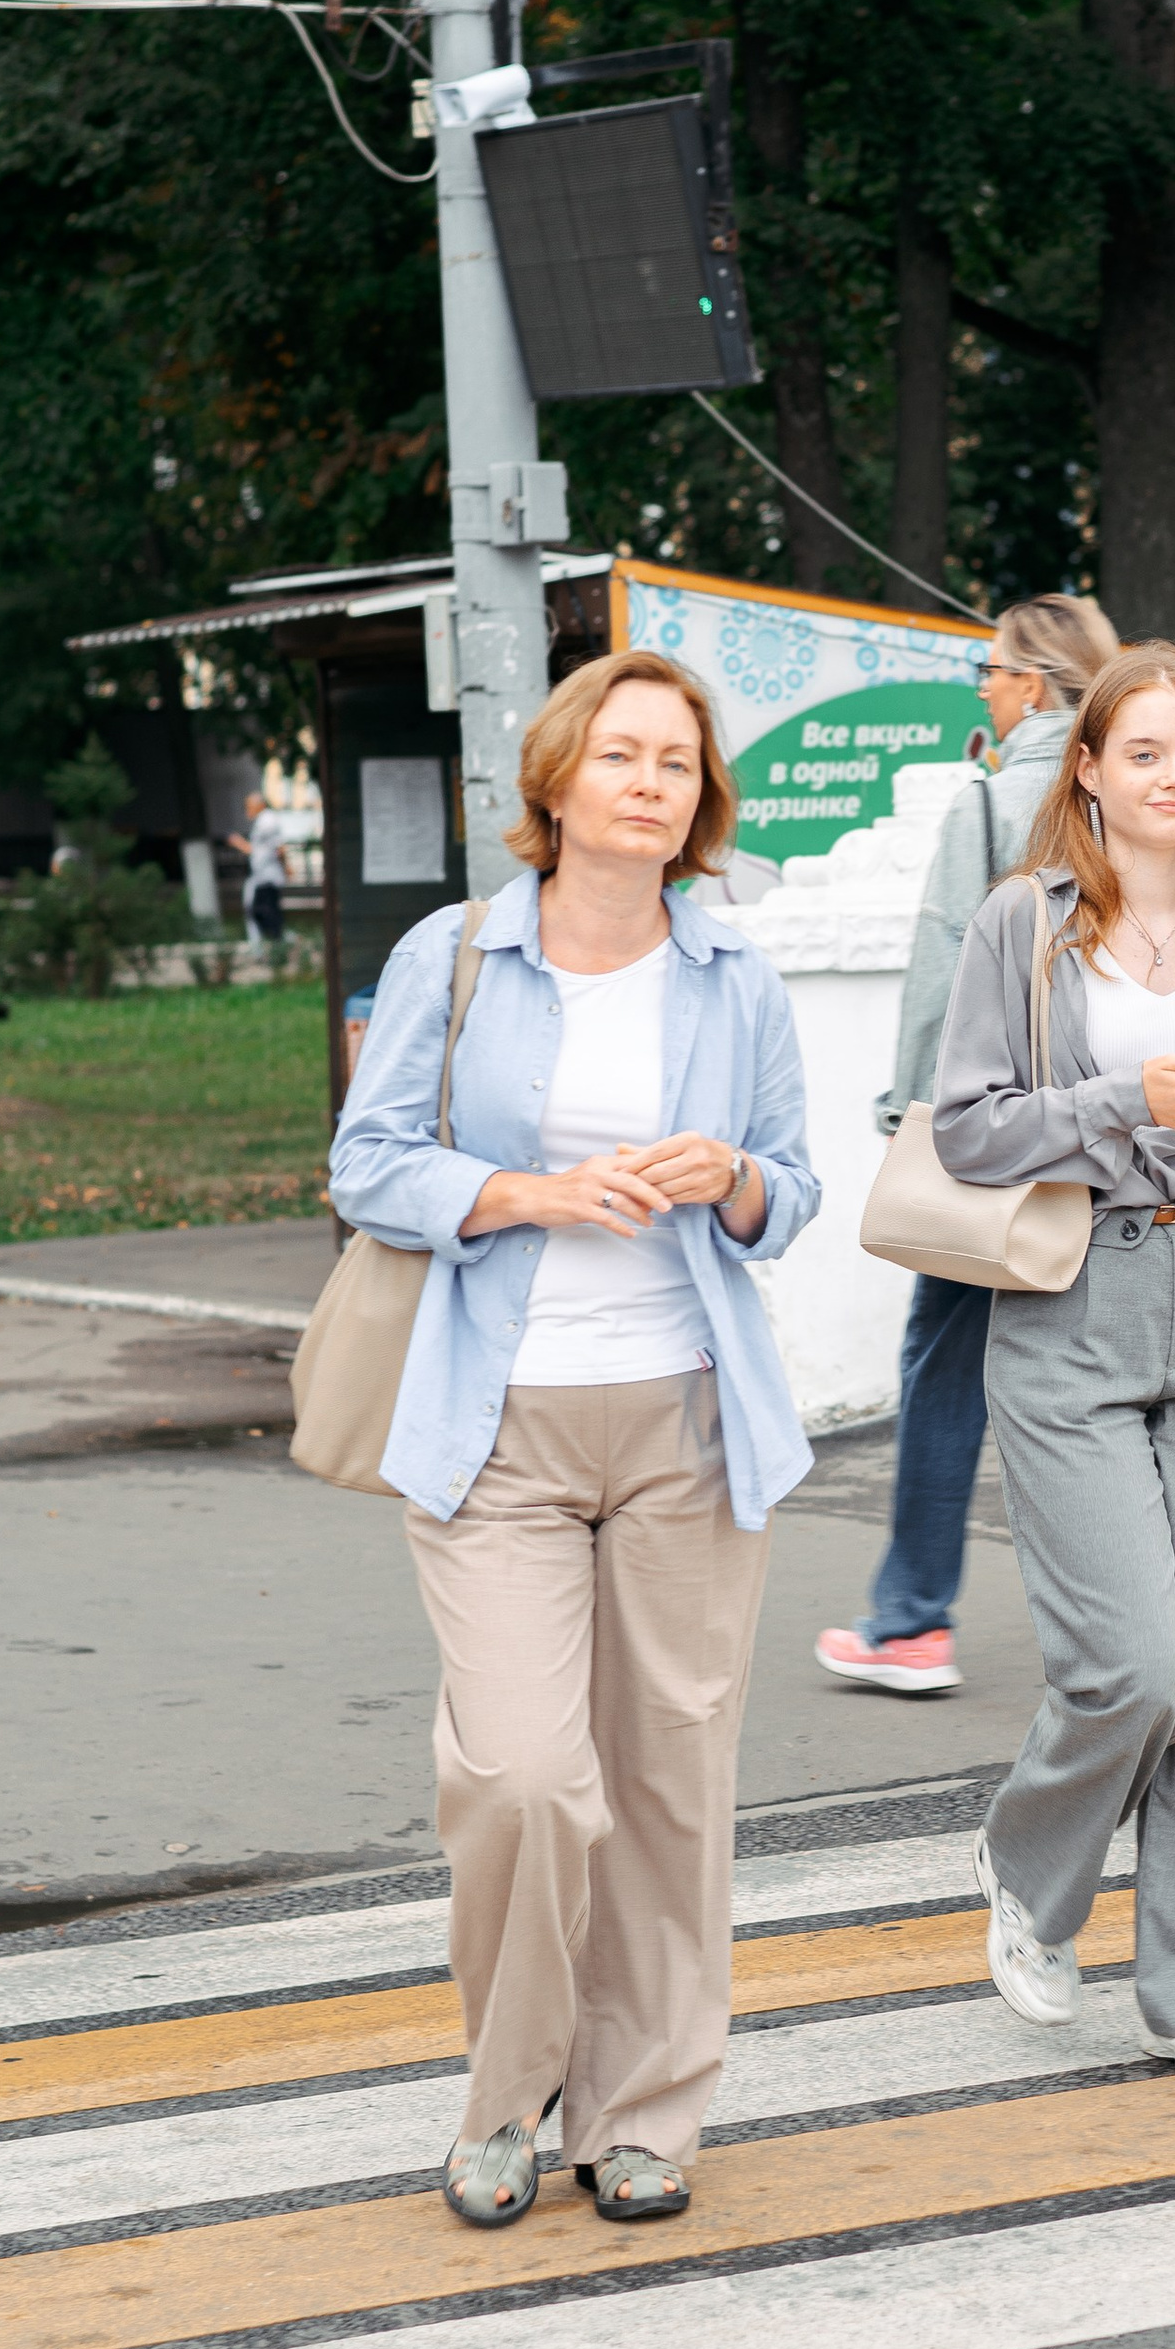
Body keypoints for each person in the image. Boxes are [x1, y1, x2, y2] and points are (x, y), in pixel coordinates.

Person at [330, 649, 818, 2232]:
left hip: (687, 1419)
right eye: (621, 754)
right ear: (556, 778)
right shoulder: (456, 952)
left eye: (677, 762)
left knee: (671, 1784)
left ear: (701, 798)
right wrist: (525, 1193)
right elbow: (367, 1162)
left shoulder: (734, 972)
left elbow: (794, 1190)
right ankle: (508, 2096)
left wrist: (732, 1179)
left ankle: (643, 2111)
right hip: (499, 1426)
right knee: (525, 1779)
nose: (650, 783)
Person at [932, 642, 1175, 2083]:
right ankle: (1030, 1868)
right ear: (1085, 766)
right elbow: (968, 1128)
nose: (1173, 777)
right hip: (1071, 1298)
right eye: (1143, 752)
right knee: (1134, 1667)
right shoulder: (1022, 923)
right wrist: (1122, 1099)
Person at [817, 592, 1119, 1696]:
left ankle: (910, 1622)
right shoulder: (1138, 782)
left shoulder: (992, 801)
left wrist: (910, 1111)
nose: (984, 690)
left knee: (944, 1364)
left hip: (1001, 1139)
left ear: (1031, 682)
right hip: (1132, 1128)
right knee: (1144, 1368)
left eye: (989, 671)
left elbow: (946, 968)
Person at [235, 793, 289, 955]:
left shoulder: (267, 821)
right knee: (260, 910)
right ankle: (269, 944)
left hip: (267, 876)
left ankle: (278, 943)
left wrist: (239, 843)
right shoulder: (262, 821)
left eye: (249, 806)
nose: (246, 810)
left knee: (260, 911)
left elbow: (278, 848)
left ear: (260, 805)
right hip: (261, 876)